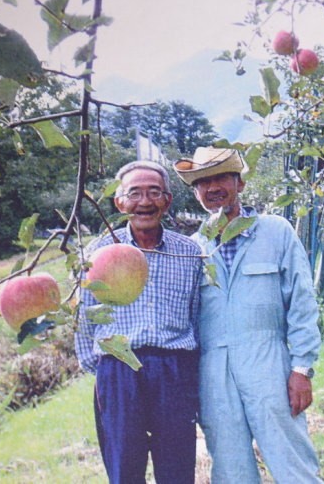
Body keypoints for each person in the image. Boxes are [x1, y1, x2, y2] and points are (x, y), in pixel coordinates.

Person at [173, 147, 324, 483]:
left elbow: (302, 302)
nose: (212, 188)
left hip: (270, 364)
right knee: (230, 469)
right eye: (202, 182)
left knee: (293, 462)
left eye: (220, 177)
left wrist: (301, 368)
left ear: (239, 183)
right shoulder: (190, 250)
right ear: (195, 192)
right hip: (213, 373)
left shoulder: (276, 231)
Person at [75, 160, 204, 484]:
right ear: (119, 202)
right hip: (119, 369)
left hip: (173, 371)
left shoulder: (188, 253)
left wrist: (187, 368)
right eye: (135, 193)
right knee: (124, 467)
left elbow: (197, 315)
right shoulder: (100, 252)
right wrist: (106, 371)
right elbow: (85, 317)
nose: (144, 202)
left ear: (168, 200)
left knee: (177, 467)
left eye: (154, 193)